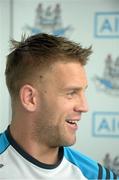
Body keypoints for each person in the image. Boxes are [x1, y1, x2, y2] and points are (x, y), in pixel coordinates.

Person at [0, 33, 118, 180]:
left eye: (83, 92)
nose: (84, 107)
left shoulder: (98, 177)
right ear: (30, 98)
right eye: (71, 93)